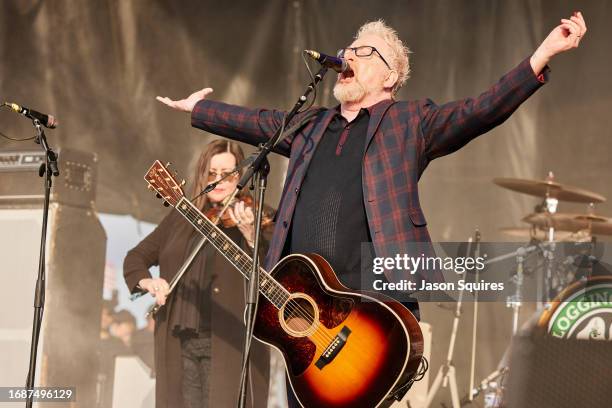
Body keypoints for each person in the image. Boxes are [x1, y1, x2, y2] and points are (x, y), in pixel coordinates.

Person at [156, 14, 586, 405]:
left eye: (363, 51)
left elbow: (480, 110)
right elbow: (258, 123)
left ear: (391, 75)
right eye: (348, 49)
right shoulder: (311, 125)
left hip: (367, 302)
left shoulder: (410, 122)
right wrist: (199, 109)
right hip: (305, 305)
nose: (348, 56)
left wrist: (541, 55)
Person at [123, 139, 270, 408]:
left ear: (241, 175)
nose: (219, 180)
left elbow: (275, 276)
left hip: (231, 342)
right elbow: (136, 257)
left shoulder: (259, 217)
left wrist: (252, 239)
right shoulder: (181, 217)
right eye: (212, 173)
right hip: (180, 341)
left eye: (227, 173)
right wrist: (148, 282)